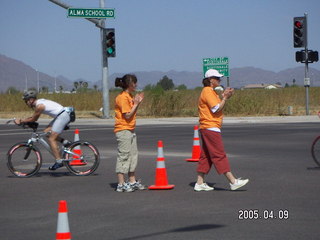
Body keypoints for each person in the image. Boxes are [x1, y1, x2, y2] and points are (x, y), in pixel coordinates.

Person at [194, 69, 249, 191]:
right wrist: (224, 98)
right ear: (210, 80)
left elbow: (217, 106)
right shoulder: (208, 91)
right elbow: (216, 109)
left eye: (219, 78)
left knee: (206, 156)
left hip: (208, 127)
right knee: (219, 154)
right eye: (217, 78)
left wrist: (224, 97)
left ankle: (199, 182)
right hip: (210, 127)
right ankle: (232, 181)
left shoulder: (211, 92)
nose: (219, 80)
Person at [14, 90, 75, 170]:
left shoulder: (39, 106)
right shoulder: (39, 103)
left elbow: (33, 119)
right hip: (61, 116)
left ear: (31, 100)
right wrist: (24, 121)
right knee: (46, 132)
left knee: (51, 139)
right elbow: (32, 118)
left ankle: (59, 161)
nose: (26, 103)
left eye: (26, 101)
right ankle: (65, 142)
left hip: (62, 116)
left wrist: (21, 121)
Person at [114, 74, 146, 192]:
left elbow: (132, 112)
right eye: (134, 83)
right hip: (123, 129)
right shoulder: (122, 98)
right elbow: (127, 115)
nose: (136, 85)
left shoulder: (129, 96)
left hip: (130, 129)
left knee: (133, 155)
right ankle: (121, 183)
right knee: (124, 155)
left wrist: (137, 102)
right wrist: (136, 104)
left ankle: (132, 180)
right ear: (129, 84)